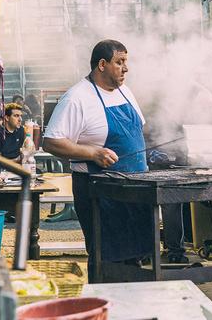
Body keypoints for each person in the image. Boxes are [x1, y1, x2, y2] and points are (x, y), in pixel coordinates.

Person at [42, 40, 153, 281]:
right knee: (107, 257)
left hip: (135, 188)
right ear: (102, 64)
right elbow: (51, 141)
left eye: (126, 62)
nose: (126, 68)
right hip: (100, 191)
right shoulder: (77, 97)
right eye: (119, 62)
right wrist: (93, 153)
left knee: (135, 256)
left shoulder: (125, 90)